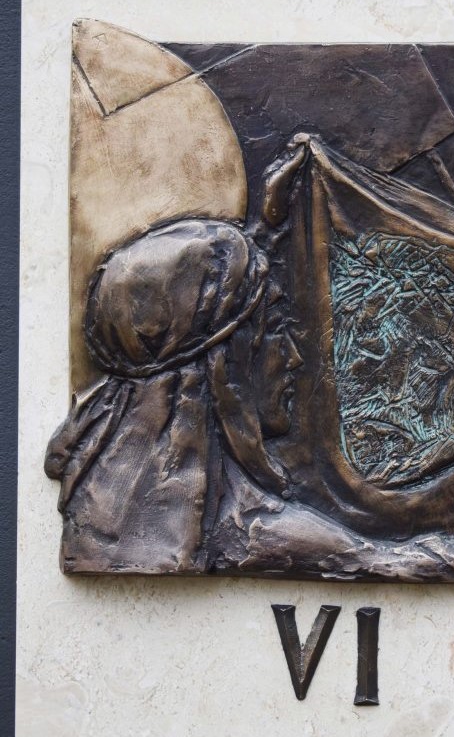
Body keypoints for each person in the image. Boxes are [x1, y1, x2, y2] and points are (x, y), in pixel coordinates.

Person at [44, 142, 306, 573]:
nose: (294, 358)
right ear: (220, 368)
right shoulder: (271, 536)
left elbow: (207, 309)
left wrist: (269, 228)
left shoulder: (98, 507)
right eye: (275, 334)